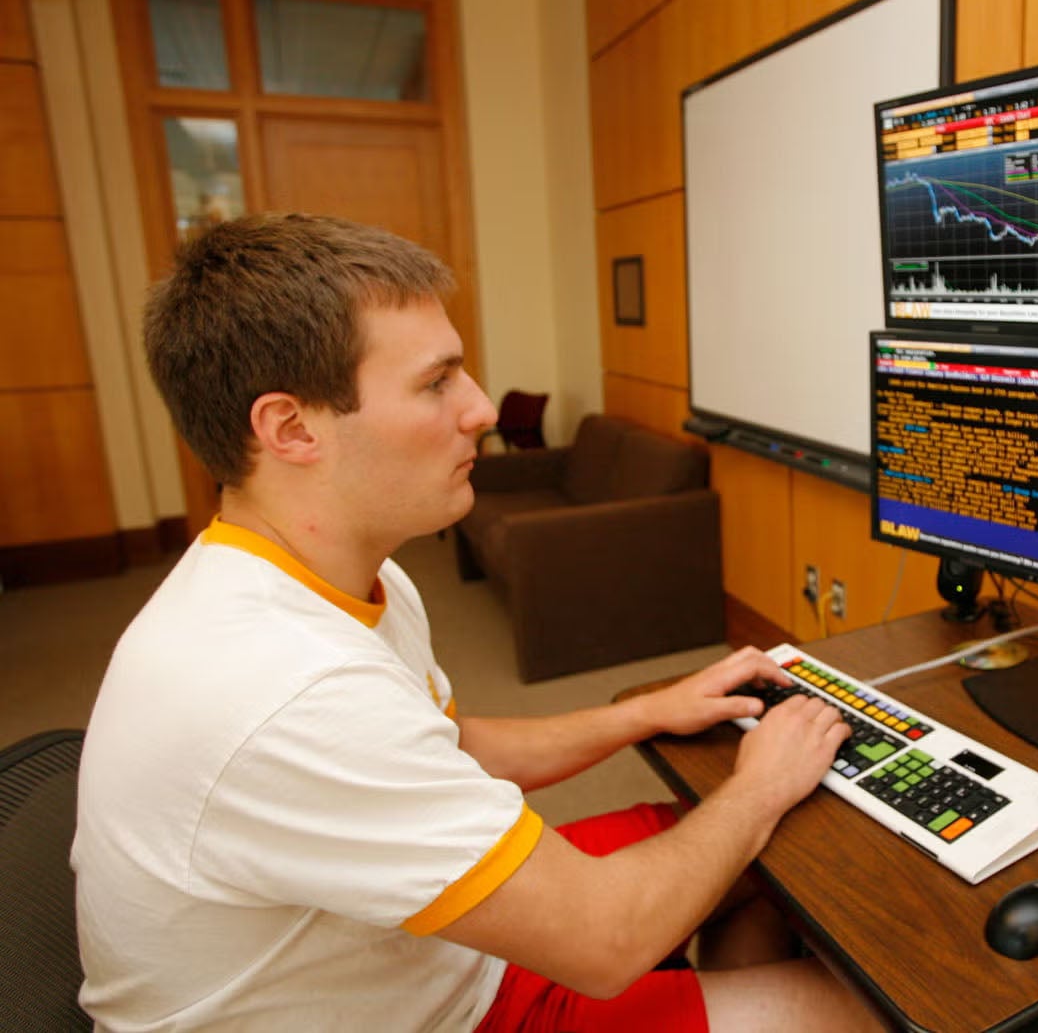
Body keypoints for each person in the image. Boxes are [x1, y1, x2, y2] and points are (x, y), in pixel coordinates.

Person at [72, 213, 878, 1032]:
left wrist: (643, 710)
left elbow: (443, 746)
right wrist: (760, 783)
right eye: (436, 382)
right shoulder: (285, 687)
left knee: (775, 861)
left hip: (416, 956)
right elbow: (607, 938)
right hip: (430, 1010)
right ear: (290, 428)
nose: (483, 408)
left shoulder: (344, 575)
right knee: (865, 1004)